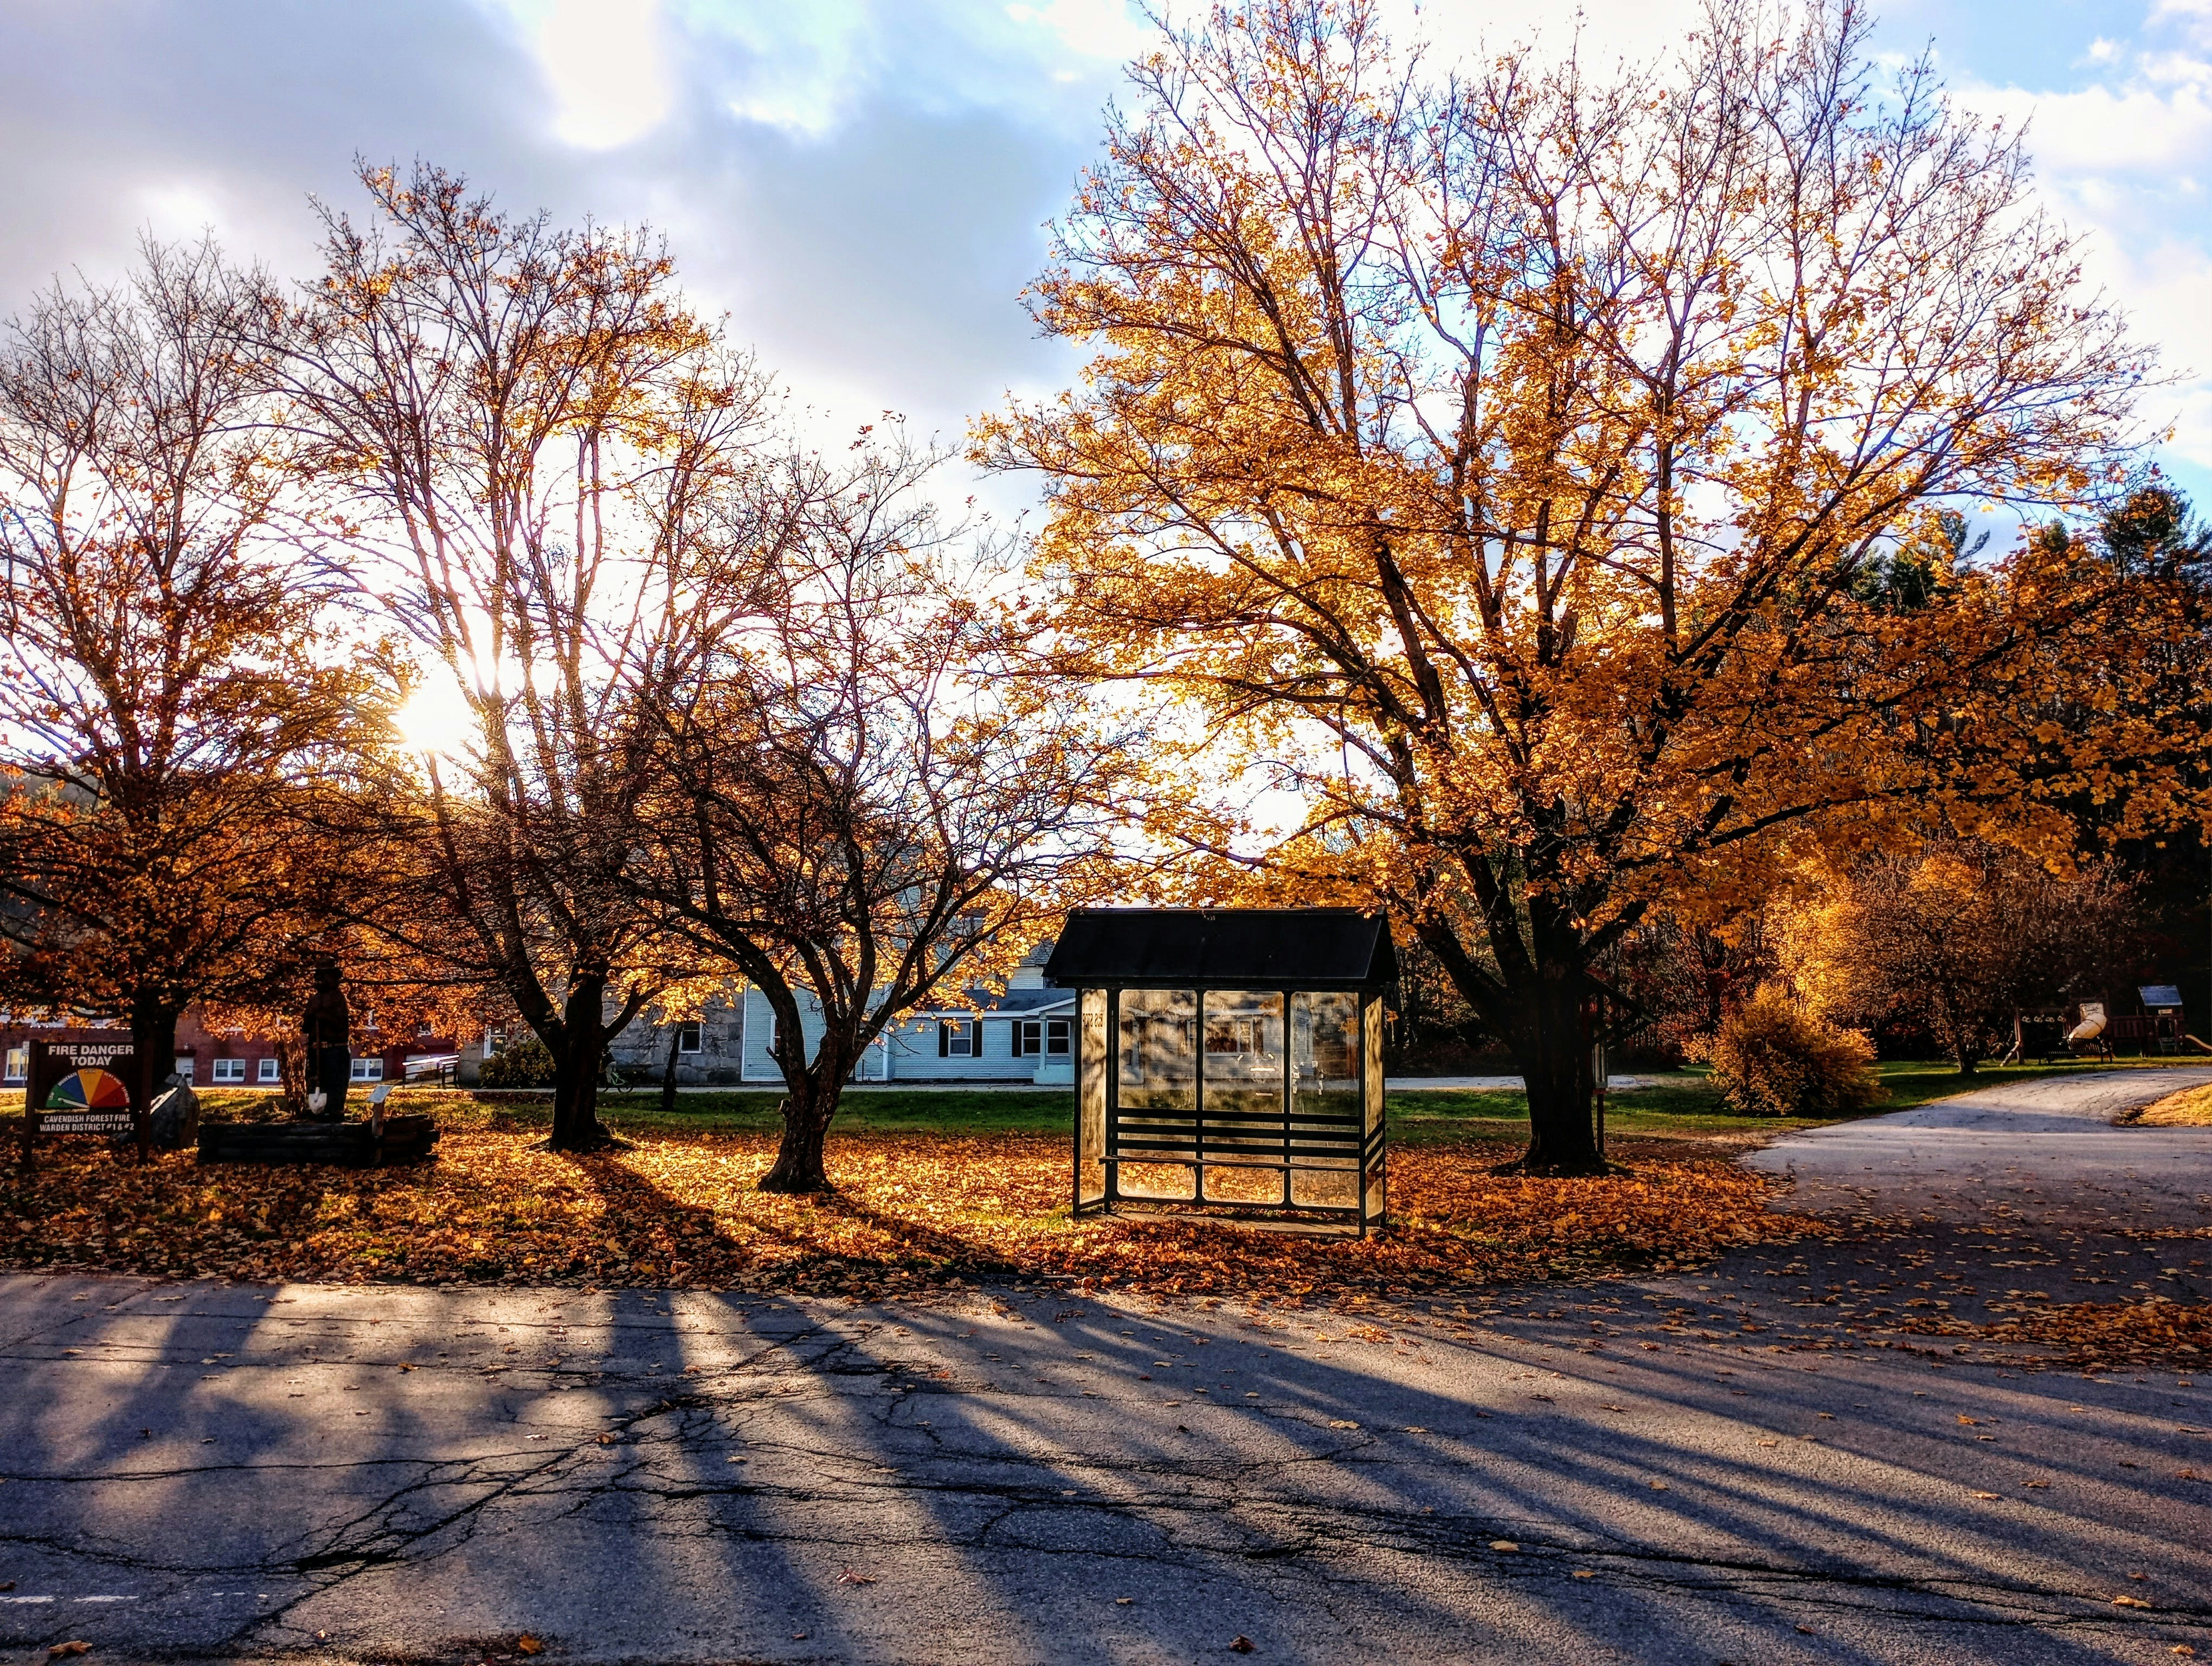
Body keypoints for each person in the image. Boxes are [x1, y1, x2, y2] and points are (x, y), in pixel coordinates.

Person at [301, 963, 352, 1121]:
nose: (319, 979)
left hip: (335, 1050)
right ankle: (317, 1110)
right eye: (318, 975)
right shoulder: (315, 999)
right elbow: (306, 1027)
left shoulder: (338, 998)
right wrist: (311, 1015)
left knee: (335, 1083)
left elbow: (341, 1026)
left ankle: (335, 1112)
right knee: (316, 1081)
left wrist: (325, 1016)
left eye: (324, 976)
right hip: (316, 1050)